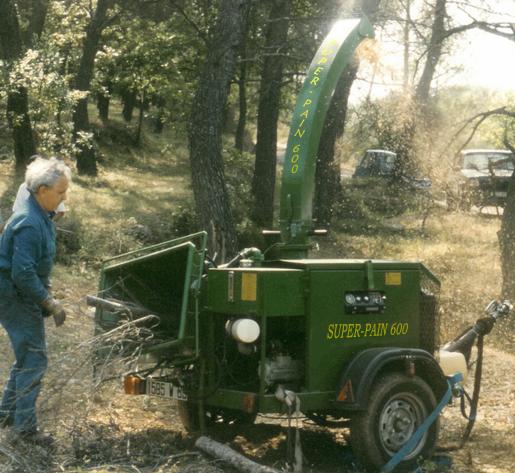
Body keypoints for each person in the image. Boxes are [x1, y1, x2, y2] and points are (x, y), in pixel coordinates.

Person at [0, 157, 71, 446]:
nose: (64, 198)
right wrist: (48, 302)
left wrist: (47, 291)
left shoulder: (41, 214)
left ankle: (7, 414)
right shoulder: (30, 222)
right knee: (34, 359)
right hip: (13, 294)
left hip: (17, 292)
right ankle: (25, 430)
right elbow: (23, 273)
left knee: (27, 356)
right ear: (42, 190)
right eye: (60, 192)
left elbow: (38, 266)